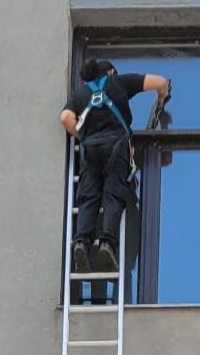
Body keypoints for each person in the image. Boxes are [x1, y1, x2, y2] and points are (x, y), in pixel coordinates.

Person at [60, 58, 173, 276]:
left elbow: (65, 118)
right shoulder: (119, 82)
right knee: (113, 194)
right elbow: (160, 82)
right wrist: (162, 100)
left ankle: (81, 243)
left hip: (90, 149)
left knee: (89, 196)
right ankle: (107, 244)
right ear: (111, 72)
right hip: (116, 146)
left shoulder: (81, 94)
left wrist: (82, 135)